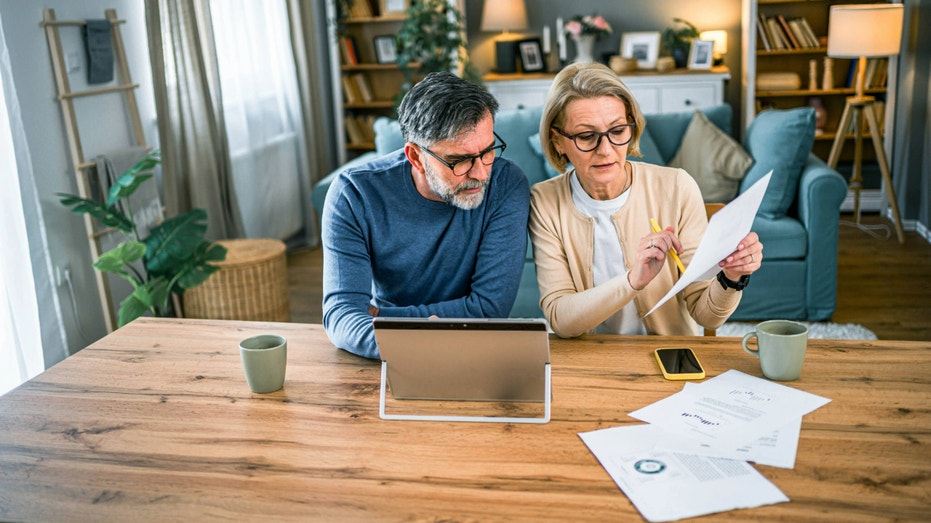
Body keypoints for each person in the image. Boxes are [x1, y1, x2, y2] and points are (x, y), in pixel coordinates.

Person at [529, 63, 763, 338]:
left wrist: (732, 277)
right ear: (558, 141)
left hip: (669, 357)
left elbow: (707, 315)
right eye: (586, 136)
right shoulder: (544, 201)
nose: (606, 150)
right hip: (589, 362)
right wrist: (632, 281)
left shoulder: (677, 187)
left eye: (617, 131)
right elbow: (561, 319)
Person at [322, 72, 531, 359]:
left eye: (488, 151)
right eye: (459, 161)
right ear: (416, 157)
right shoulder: (354, 194)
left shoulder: (507, 184)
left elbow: (489, 310)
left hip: (473, 349)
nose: (482, 173)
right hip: (386, 360)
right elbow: (341, 315)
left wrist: (385, 317)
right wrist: (415, 339)